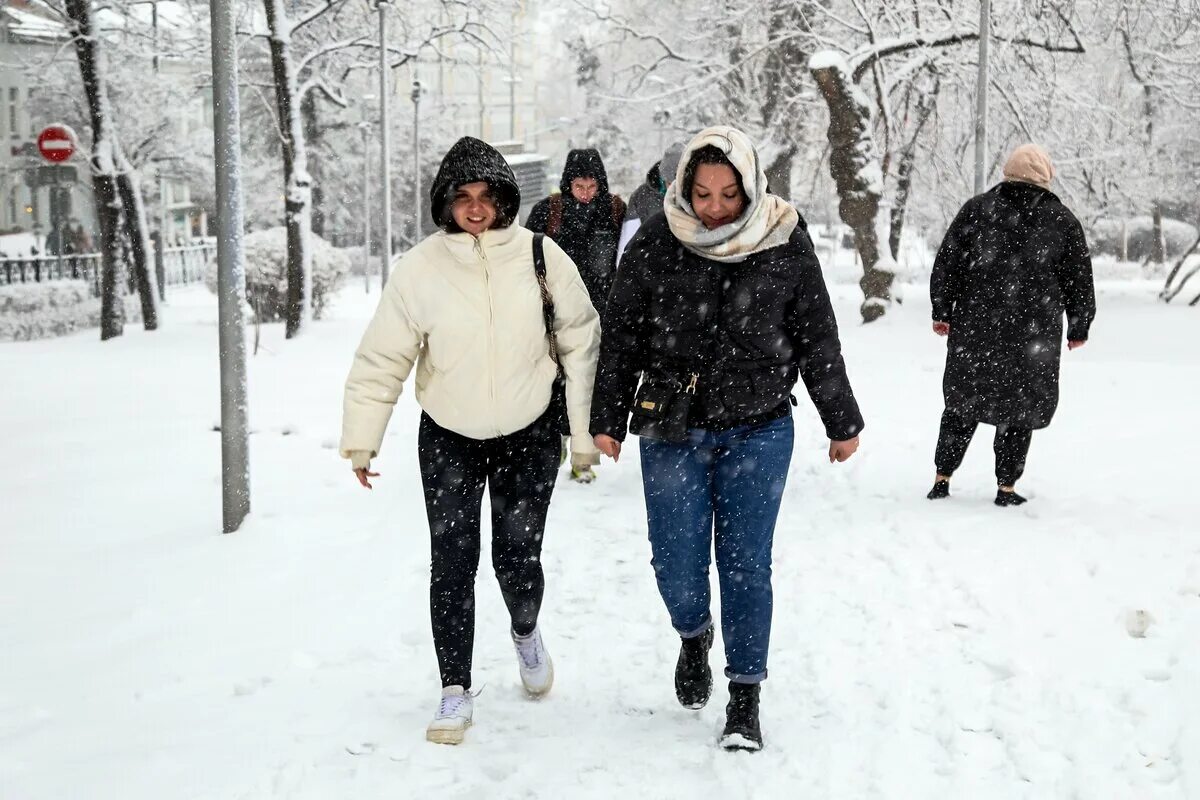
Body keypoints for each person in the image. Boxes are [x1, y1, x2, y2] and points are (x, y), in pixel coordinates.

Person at [589, 126, 864, 752]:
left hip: (761, 426)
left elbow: (817, 333)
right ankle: (693, 635)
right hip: (672, 426)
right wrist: (606, 415)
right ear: (683, 186)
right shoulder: (657, 240)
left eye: (728, 194)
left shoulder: (784, 238)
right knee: (676, 563)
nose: (714, 208)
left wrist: (840, 418)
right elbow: (623, 334)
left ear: (750, 186)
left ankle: (745, 697)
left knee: (746, 566)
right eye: (703, 193)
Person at [340, 136, 601, 745]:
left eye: (486, 196)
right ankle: (454, 688)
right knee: (452, 563)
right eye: (462, 197)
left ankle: (525, 631)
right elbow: (383, 356)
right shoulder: (421, 269)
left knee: (518, 559)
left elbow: (581, 342)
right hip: (449, 437)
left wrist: (583, 435)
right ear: (445, 203)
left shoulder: (542, 255)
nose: (475, 208)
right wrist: (362, 438)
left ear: (506, 198)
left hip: (529, 432)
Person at [927, 143, 1095, 506]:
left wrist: (942, 310)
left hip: (976, 329)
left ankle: (942, 477)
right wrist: (1079, 326)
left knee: (962, 403)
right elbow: (1078, 278)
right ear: (1045, 177)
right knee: (1020, 409)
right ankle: (1006, 487)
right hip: (1032, 334)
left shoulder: (977, 210)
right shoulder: (1061, 220)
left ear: (1007, 171)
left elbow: (948, 263)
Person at [527, 148, 626, 484]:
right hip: (554, 311)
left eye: (591, 187)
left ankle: (584, 454)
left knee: (590, 383)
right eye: (578, 186)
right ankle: (556, 439)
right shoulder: (548, 212)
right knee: (554, 380)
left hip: (600, 312)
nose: (585, 194)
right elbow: (529, 256)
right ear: (567, 184)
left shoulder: (615, 213)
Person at [617, 141, 684, 265]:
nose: (674, 190)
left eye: (680, 184)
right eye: (671, 183)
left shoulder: (697, 197)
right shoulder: (641, 197)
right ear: (663, 178)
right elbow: (628, 242)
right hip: (651, 269)